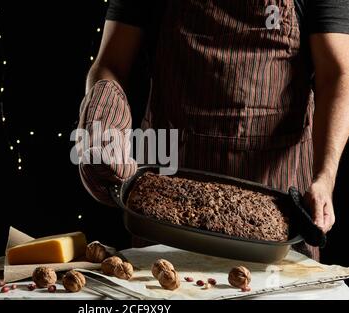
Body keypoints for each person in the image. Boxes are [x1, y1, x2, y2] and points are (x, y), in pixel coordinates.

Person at [77, 0, 349, 260]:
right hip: (168, 192)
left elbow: (336, 76)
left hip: (276, 190)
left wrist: (325, 177)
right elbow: (110, 64)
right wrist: (101, 121)